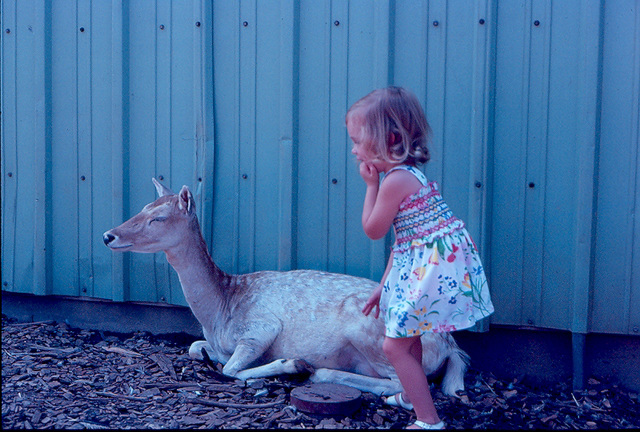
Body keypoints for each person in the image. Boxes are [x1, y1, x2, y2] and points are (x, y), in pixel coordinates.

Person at [348, 86, 494, 430]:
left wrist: (370, 187)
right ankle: (414, 397)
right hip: (424, 262)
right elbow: (404, 242)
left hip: (434, 266)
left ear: (390, 138)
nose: (354, 150)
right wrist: (383, 286)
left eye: (357, 141)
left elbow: (373, 230)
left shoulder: (394, 181)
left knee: (394, 346)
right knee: (408, 336)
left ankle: (429, 421)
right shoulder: (407, 174)